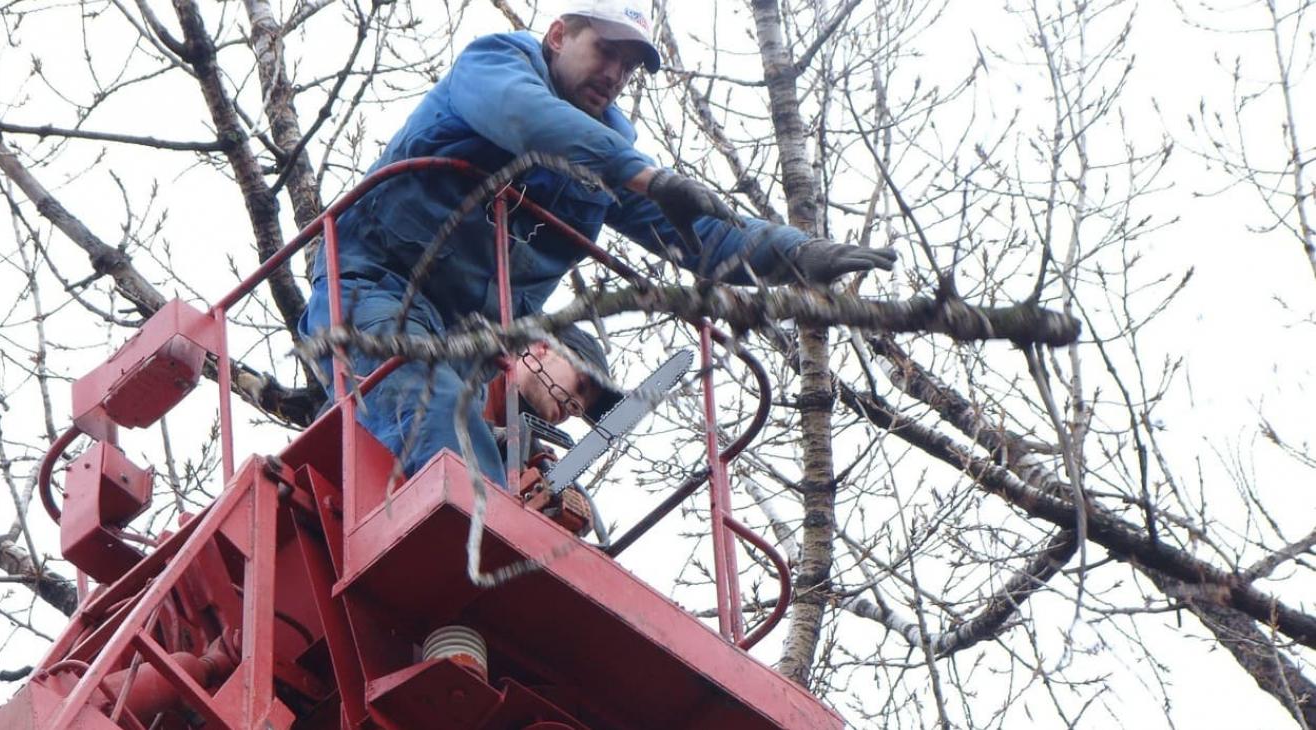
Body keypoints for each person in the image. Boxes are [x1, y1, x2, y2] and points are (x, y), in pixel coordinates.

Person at [299, 0, 895, 486]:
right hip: (376, 288)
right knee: (433, 415)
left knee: (484, 432)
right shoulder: (495, 65)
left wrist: (797, 254)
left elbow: (703, 235)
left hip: (469, 345)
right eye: (606, 51)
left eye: (627, 66)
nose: (614, 74)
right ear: (558, 35)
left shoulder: (608, 162)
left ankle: (505, 515)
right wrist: (642, 175)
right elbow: (525, 117)